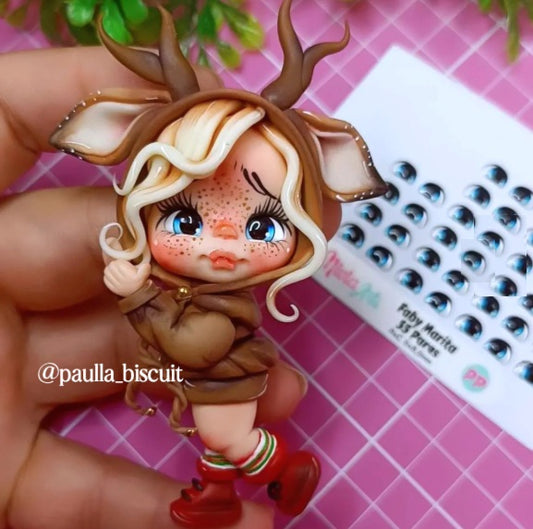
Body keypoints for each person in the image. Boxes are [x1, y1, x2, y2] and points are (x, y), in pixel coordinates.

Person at [0, 45, 311, 529]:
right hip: (208, 374)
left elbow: (195, 344)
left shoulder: (221, 307)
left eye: (261, 227)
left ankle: (286, 471)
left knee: (224, 436)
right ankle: (218, 494)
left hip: (224, 373)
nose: (222, 241)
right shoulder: (190, 290)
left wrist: (138, 295)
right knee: (217, 437)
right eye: (187, 220)